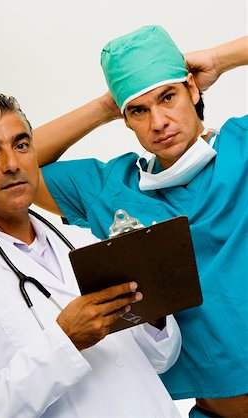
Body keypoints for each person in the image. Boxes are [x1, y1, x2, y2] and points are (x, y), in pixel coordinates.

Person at [32, 26, 248, 417]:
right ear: (125, 119)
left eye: (168, 98)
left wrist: (219, 60)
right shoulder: (113, 188)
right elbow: (15, 168)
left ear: (193, 91)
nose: (159, 121)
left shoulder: (243, 144)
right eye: (138, 110)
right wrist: (103, 108)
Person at [0, 91, 182, 418]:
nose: (12, 164)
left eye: (21, 145)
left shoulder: (81, 240)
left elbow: (161, 359)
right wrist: (65, 341)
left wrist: (153, 311)